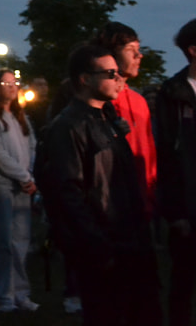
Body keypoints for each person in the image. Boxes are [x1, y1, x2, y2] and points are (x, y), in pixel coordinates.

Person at [36, 44, 160, 326]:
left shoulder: (107, 120)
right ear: (85, 79)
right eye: (110, 73)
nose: (119, 79)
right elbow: (68, 193)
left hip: (129, 242)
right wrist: (98, 246)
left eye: (117, 72)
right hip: (105, 248)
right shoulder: (67, 127)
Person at [0, 70, 38, 312]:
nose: (12, 87)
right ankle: (2, 295)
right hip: (0, 186)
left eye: (14, 83)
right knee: (2, 242)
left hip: (22, 186)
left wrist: (28, 175)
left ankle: (21, 293)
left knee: (21, 241)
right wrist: (23, 175)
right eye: (6, 83)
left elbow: (32, 145)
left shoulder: (19, 117)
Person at [91, 22, 157, 217]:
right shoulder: (97, 100)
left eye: (139, 49)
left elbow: (149, 155)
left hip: (142, 204)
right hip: (111, 207)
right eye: (131, 50)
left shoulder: (139, 102)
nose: (139, 56)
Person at [155, 18, 196, 326]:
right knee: (183, 282)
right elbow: (166, 156)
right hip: (188, 207)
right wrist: (176, 212)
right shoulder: (173, 94)